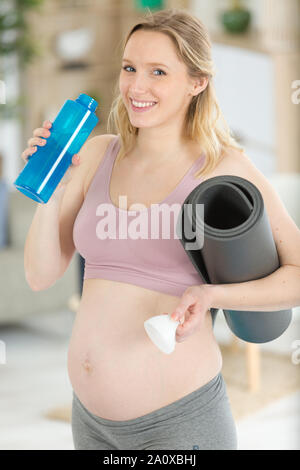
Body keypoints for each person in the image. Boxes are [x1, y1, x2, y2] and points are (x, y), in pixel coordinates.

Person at [22, 8, 300, 450]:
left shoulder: (221, 166)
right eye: (130, 68)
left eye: (158, 72)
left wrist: (213, 296)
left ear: (196, 83)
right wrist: (49, 187)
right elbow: (39, 275)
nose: (137, 86)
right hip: (91, 424)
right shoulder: (97, 154)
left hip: (180, 424)